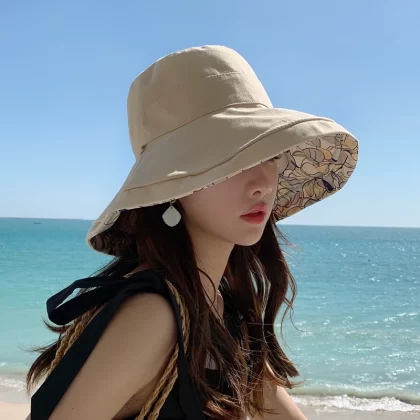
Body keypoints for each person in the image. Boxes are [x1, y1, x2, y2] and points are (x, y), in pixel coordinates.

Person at [25, 45, 359, 420]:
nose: (263, 184)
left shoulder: (218, 305)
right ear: (172, 184)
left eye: (270, 156)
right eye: (231, 160)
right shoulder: (155, 316)